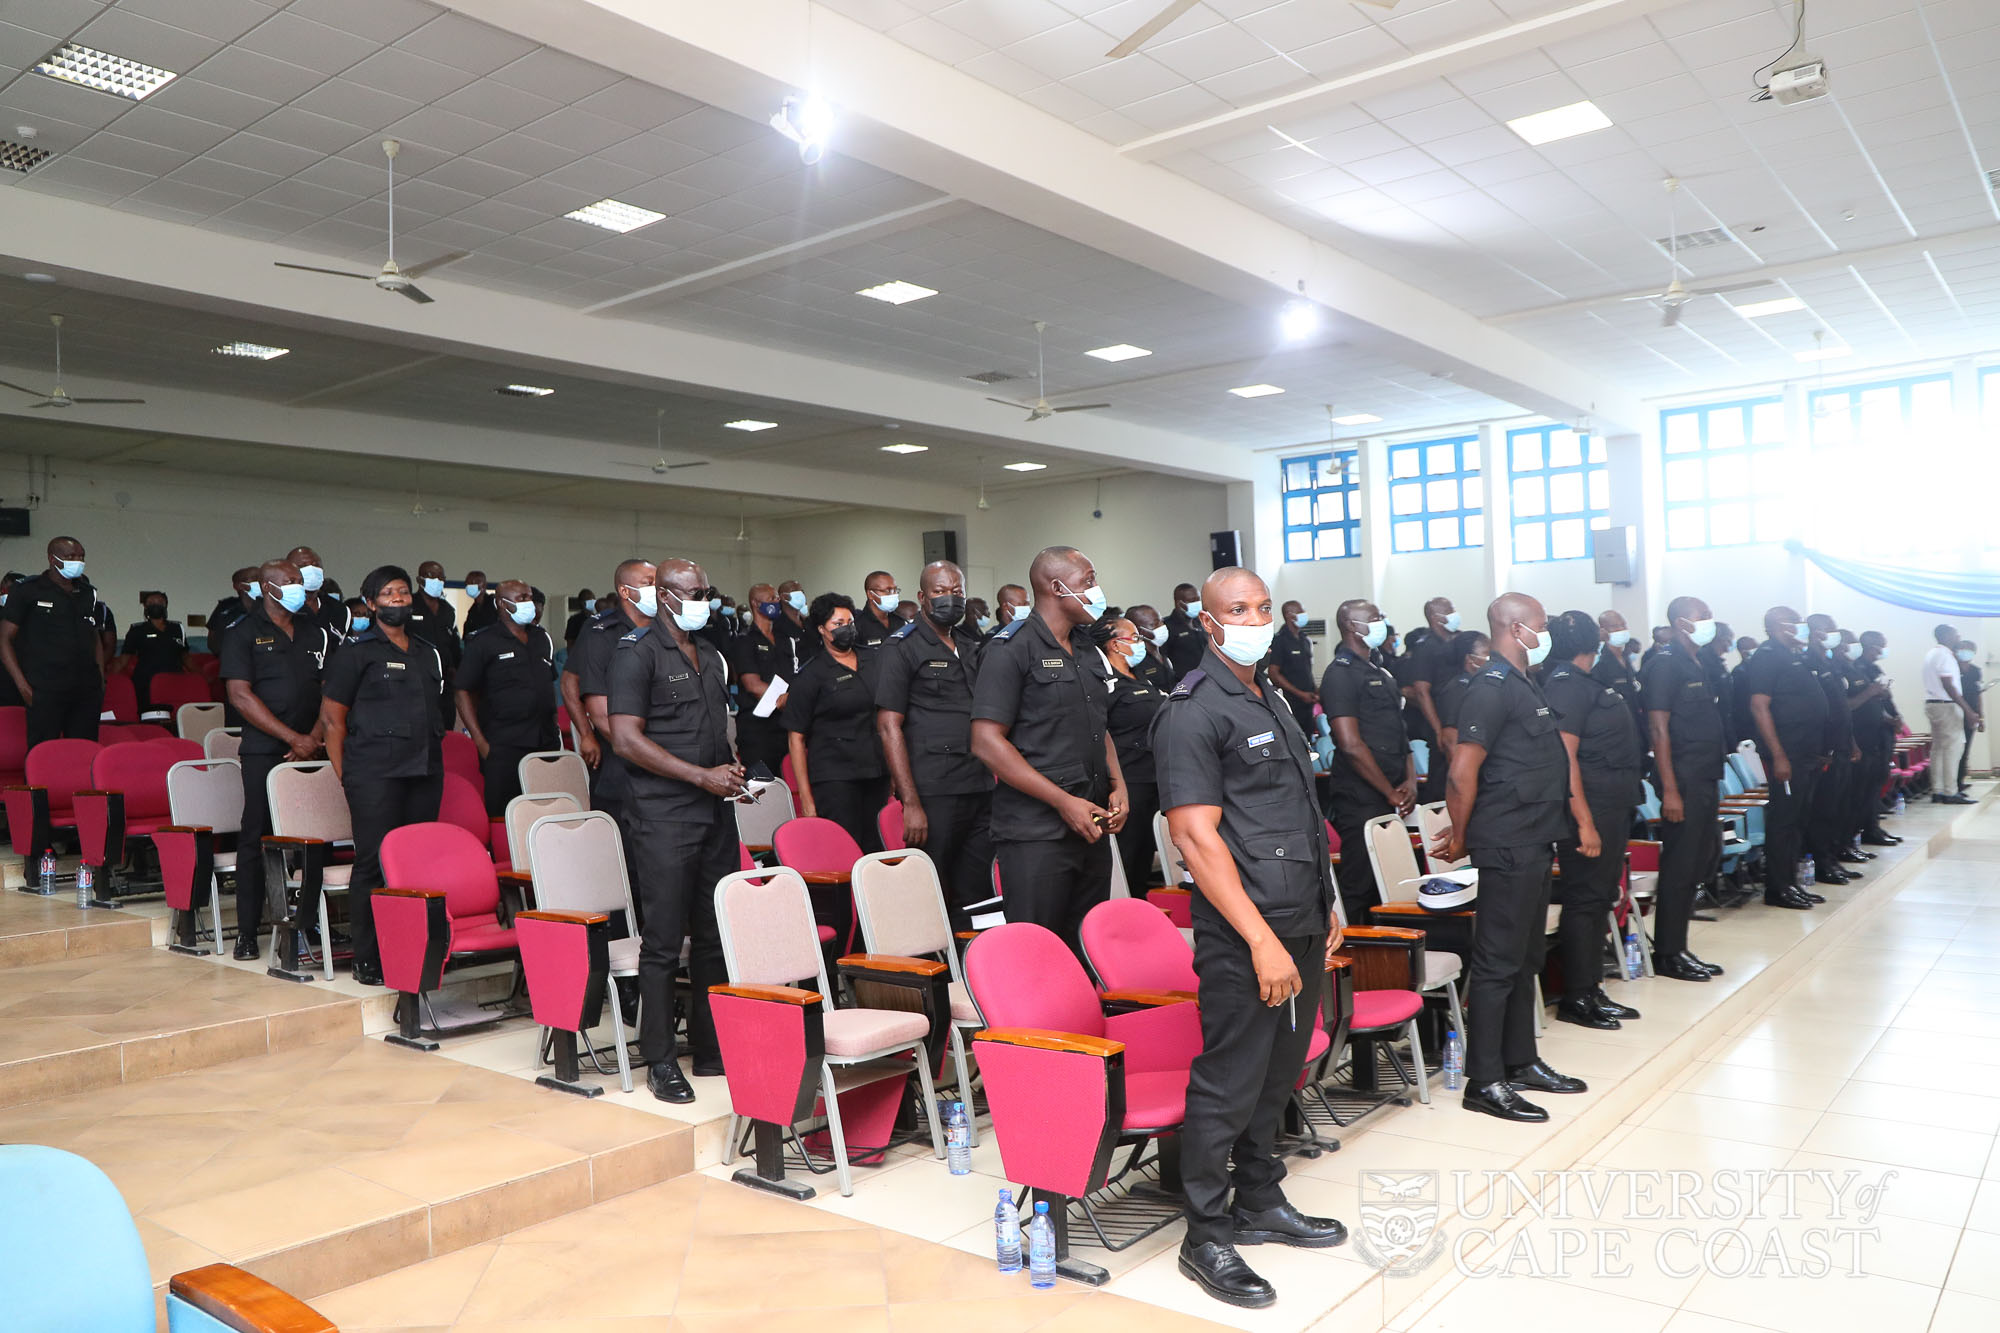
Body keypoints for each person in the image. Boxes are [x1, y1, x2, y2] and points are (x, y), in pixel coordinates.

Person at [1153, 566, 1347, 1309]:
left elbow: (1298, 814)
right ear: (1208, 622)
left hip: (1300, 915)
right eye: (1238, 609)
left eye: (1263, 607)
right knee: (1230, 1080)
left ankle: (1260, 1197)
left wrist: (1327, 903)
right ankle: (1206, 1233)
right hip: (1246, 931)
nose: (1256, 619)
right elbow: (1196, 841)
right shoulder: (1191, 710)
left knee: (1277, 1074)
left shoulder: (1267, 691)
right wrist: (1262, 940)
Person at [1431, 593, 1586, 1122]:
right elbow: (1461, 771)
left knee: (1525, 959)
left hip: (1534, 836)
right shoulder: (1490, 687)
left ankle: (1521, 1061)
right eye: (1542, 624)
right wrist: (1460, 835)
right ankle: (1485, 1080)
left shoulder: (1523, 682)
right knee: (1498, 964)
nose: (1548, 633)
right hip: (1508, 840)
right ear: (1517, 629)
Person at [607, 558, 743, 1102]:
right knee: (663, 942)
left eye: (707, 592)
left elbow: (713, 730)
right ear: (664, 596)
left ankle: (711, 1049)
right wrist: (700, 776)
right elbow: (625, 739)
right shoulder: (636, 653)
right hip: (664, 815)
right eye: (694, 594)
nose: (704, 602)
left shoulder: (708, 652)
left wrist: (731, 770)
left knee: (714, 936)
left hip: (715, 813)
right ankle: (660, 1059)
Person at [971, 547, 1127, 952]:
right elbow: (986, 741)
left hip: (1090, 823)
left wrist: (1118, 785)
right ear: (1057, 588)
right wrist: (1063, 802)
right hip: (1036, 833)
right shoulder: (1010, 647)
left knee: (1087, 948)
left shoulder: (1087, 648)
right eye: (1088, 581)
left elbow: (1099, 726)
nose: (1096, 590)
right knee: (1038, 951)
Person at [319, 566, 447, 987]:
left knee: (415, 863)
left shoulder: (427, 651)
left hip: (423, 771)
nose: (398, 599)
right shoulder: (356, 653)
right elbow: (332, 721)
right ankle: (369, 957)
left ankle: (412, 950)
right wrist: (346, 776)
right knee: (373, 864)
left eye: (403, 592)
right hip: (374, 776)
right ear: (371, 603)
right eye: (388, 593)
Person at [220, 559, 330, 961]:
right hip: (266, 751)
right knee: (256, 838)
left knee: (316, 838)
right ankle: (248, 932)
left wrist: (312, 738)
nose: (299, 586)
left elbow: (330, 689)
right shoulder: (242, 632)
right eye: (290, 581)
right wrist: (292, 738)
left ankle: (310, 923)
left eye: (300, 580)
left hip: (313, 749)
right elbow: (240, 696)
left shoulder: (315, 630)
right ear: (268, 587)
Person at [876, 561, 993, 928]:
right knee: (932, 890)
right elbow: (888, 726)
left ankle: (973, 958)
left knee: (977, 892)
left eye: (957, 591)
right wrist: (910, 802)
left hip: (979, 784)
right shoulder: (902, 646)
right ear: (923, 597)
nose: (950, 598)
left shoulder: (970, 645)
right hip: (934, 790)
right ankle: (931, 963)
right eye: (940, 592)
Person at [1541, 611, 1643, 1031]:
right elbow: (1564, 758)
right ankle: (1577, 997)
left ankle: (1591, 987)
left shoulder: (1586, 680)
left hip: (1611, 805)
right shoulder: (1566, 684)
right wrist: (1583, 821)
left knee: (1600, 897)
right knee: (1585, 900)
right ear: (1592, 642)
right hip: (1592, 809)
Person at [1643, 597, 1730, 981]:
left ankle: (1679, 945)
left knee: (1698, 860)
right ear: (1681, 622)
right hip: (1683, 779)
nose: (1709, 621)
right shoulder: (1665, 663)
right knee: (1679, 866)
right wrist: (1671, 790)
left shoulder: (1697, 661)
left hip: (1704, 775)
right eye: (1702, 616)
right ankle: (1668, 953)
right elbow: (1658, 728)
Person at [1318, 599, 1415, 925]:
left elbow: (1400, 733)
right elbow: (1350, 744)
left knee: (1387, 883)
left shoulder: (1379, 670)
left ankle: (1384, 949)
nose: (1380, 622)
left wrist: (1410, 781)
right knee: (1359, 883)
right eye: (1374, 618)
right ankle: (1354, 950)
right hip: (1361, 795)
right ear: (1352, 626)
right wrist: (1389, 792)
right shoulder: (1340, 674)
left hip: (1392, 791)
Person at [784, 593, 889, 853]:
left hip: (877, 771)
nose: (847, 629)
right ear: (822, 629)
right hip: (836, 777)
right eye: (838, 624)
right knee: (845, 849)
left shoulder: (875, 659)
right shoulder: (812, 674)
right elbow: (796, 738)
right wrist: (806, 797)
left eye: (850, 622)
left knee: (877, 849)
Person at [1742, 607, 1826, 910]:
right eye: (1796, 622)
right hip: (1787, 752)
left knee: (1798, 820)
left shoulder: (1793, 655)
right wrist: (1778, 755)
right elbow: (1759, 706)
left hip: (1805, 751)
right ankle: (1777, 888)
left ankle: (1791, 882)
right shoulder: (1767, 657)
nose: (1802, 626)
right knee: (1783, 821)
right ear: (1780, 626)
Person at [454, 579, 557, 817]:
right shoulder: (483, 642)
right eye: (521, 598)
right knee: (506, 815)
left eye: (529, 597)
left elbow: (547, 683)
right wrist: (480, 742)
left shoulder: (542, 638)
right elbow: (462, 691)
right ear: (502, 603)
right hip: (503, 744)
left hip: (545, 741)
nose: (529, 603)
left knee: (546, 810)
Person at [563, 559, 654, 822]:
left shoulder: (667, 628)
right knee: (620, 831)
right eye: (649, 583)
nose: (658, 589)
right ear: (625, 591)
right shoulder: (601, 631)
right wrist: (585, 733)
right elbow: (570, 681)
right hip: (619, 751)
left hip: (663, 748)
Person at [1, 536, 106, 745]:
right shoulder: (27, 590)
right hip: (45, 689)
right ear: (52, 558)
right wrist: (23, 686)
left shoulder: (88, 593)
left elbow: (94, 637)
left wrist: (100, 680)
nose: (78, 561)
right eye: (71, 556)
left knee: (84, 751)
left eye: (81, 556)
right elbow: (4, 639)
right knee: (43, 750)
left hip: (86, 689)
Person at [1102, 615, 1168, 899]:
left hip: (1154, 775)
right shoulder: (1106, 683)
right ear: (1115, 645)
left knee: (1145, 855)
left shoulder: (1140, 676)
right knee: (1128, 855)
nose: (1140, 643)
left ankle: (1140, 909)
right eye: (1135, 637)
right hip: (1130, 779)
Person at [1804, 616, 1861, 886]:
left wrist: (1851, 743)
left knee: (1838, 806)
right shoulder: (1808, 662)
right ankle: (1821, 863)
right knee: (1822, 809)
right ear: (1816, 632)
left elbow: (1841, 709)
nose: (1835, 634)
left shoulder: (1829, 662)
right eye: (1830, 630)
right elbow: (1816, 711)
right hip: (1824, 748)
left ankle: (1833, 857)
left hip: (1841, 744)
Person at [731, 584, 797, 779]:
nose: (776, 602)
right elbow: (753, 685)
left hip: (785, 726)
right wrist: (787, 700)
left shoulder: (784, 639)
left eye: (777, 598)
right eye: (771, 598)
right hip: (757, 730)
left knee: (789, 783)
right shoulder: (745, 640)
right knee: (762, 786)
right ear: (755, 603)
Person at [1850, 632, 1903, 847]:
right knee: (1862, 788)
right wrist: (1875, 696)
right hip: (1865, 734)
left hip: (1882, 735)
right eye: (1879, 646)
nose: (1881, 651)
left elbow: (1884, 699)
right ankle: (1859, 831)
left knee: (1876, 784)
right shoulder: (1854, 668)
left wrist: (1896, 718)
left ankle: (1873, 827)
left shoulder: (1875, 669)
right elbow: (1857, 705)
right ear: (1869, 646)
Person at [1407, 597, 1461, 801]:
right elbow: (1422, 692)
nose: (1454, 615)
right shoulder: (1425, 646)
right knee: (1441, 787)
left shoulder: (1456, 641)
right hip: (1440, 724)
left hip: (1459, 723)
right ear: (1435, 617)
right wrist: (1438, 730)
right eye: (1449, 611)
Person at [1923, 625, 1979, 804]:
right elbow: (1949, 685)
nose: (1958, 637)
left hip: (1933, 704)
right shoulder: (1945, 655)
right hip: (1946, 705)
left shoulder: (1932, 653)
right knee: (1953, 749)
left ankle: (1938, 790)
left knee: (1938, 749)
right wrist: (1967, 709)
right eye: (1956, 634)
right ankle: (1950, 792)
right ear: (1946, 635)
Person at [119, 590, 189, 711]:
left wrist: (201, 675)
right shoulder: (137, 629)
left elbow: (186, 656)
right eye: (151, 603)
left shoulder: (177, 628)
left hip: (174, 680)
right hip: (146, 681)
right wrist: (107, 678)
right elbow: (123, 659)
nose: (156, 605)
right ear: (145, 607)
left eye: (160, 602)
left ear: (166, 605)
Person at [1265, 600, 1317, 738]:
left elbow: (1307, 670)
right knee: (1295, 738)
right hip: (1291, 702)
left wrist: (1315, 690)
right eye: (1300, 612)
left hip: (1308, 701)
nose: (1304, 615)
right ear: (1289, 615)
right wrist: (1300, 694)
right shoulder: (1279, 641)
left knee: (1308, 738)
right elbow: (1273, 674)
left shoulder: (1304, 640)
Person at [207, 567, 260, 659]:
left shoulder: (271, 607)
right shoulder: (225, 607)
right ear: (239, 585)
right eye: (255, 578)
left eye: (262, 578)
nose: (259, 582)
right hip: (231, 660)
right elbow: (213, 642)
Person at [1127, 603, 1176, 689]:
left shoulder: (1164, 651)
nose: (1162, 626)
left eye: (1161, 621)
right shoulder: (1136, 660)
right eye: (1154, 624)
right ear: (1139, 631)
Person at [1163, 581, 1206, 679]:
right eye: (1192, 601)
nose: (1197, 603)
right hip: (1184, 680)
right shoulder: (1167, 626)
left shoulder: (1201, 622)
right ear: (1179, 604)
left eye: (1198, 599)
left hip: (1207, 677)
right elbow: (1163, 657)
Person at [1958, 640, 1983, 795]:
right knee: (1955, 750)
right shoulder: (1952, 668)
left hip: (1972, 714)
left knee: (1966, 749)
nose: (1966, 652)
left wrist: (1981, 717)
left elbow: (1978, 694)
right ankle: (1952, 783)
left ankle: (1960, 781)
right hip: (1955, 712)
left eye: (1970, 650)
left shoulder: (1975, 671)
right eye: (1963, 649)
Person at [461, 570, 498, 636]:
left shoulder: (495, 602)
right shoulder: (472, 610)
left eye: (475, 582)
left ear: (484, 585)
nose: (471, 585)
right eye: (468, 583)